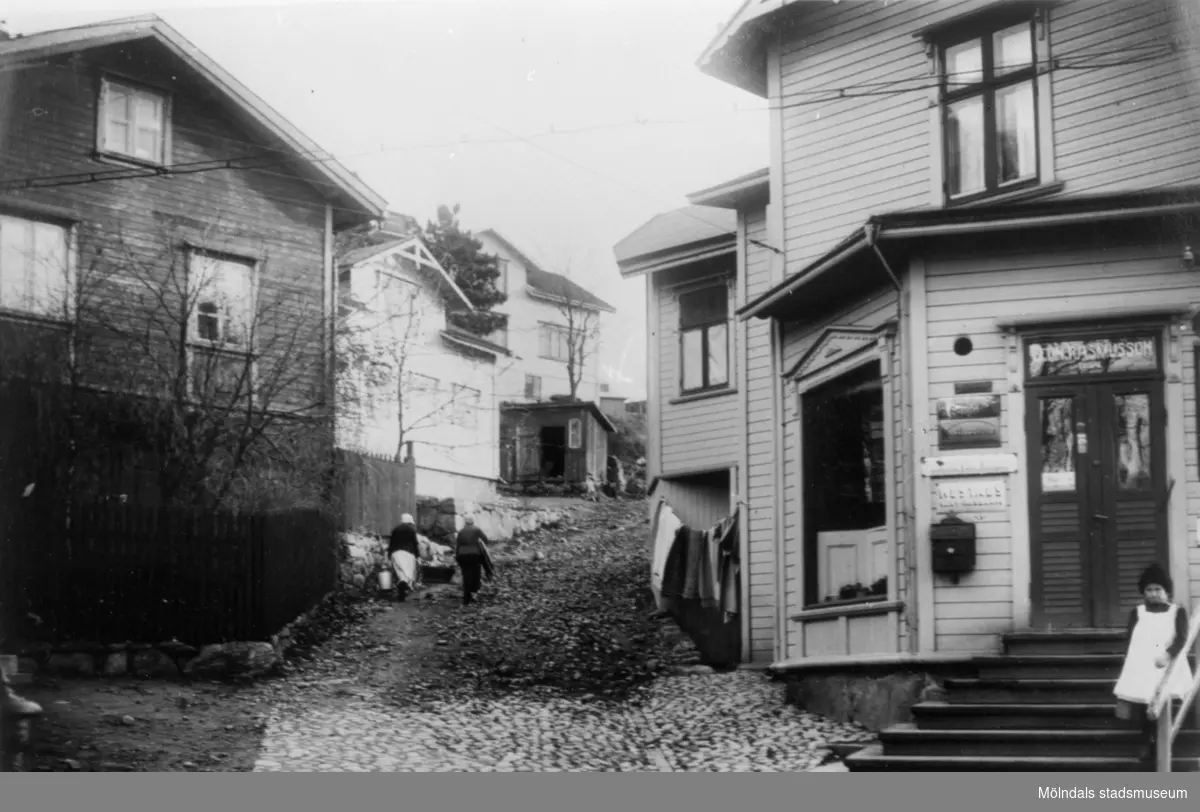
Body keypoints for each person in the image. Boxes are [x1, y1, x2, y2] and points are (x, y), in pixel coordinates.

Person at [1113, 562, 1193, 759]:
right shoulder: (1138, 612)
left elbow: (1182, 638)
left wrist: (1168, 654)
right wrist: (1128, 661)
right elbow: (1130, 638)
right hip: (1142, 664)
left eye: (1158, 589)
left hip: (1167, 662)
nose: (1153, 594)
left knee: (1163, 698)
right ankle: (1147, 739)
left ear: (1166, 591)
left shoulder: (1177, 612)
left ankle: (1161, 740)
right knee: (1144, 700)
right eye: (1149, 590)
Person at [453, 515, 493, 606]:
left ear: (465, 522)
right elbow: (485, 539)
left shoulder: (460, 531)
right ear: (473, 522)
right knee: (475, 575)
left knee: (466, 576)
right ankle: (474, 593)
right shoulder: (477, 529)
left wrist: (457, 557)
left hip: (462, 556)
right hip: (474, 556)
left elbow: (457, 546)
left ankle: (466, 598)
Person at [387, 514, 421, 602]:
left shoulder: (395, 530)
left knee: (400, 571)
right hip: (409, 553)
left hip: (396, 553)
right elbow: (415, 544)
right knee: (408, 572)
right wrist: (418, 556)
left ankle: (401, 588)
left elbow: (391, 543)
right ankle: (405, 585)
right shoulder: (411, 530)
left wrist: (388, 556)